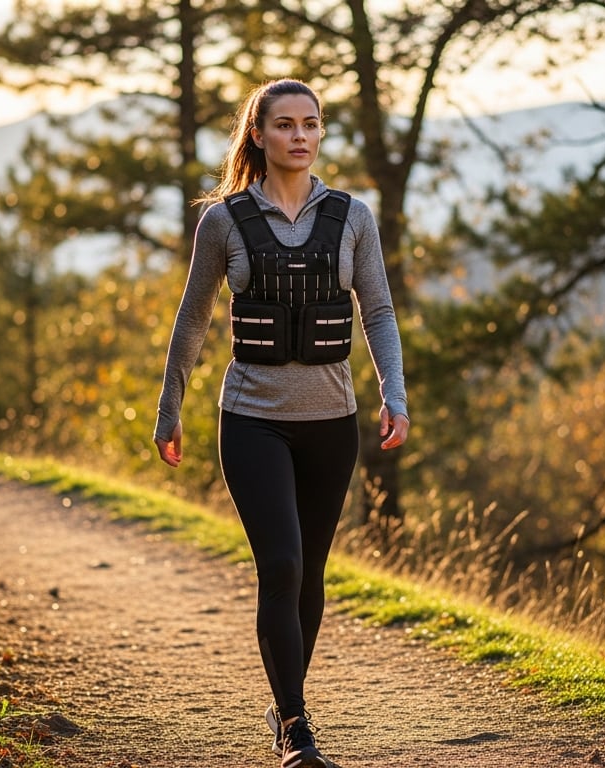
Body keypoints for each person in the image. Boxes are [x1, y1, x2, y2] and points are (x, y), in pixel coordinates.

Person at [153, 78, 410, 768]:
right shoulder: (224, 222)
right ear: (259, 134)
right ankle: (297, 728)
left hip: (332, 421)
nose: (300, 136)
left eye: (311, 124)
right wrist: (170, 407)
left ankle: (284, 700)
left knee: (312, 573)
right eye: (285, 124)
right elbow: (193, 318)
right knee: (282, 564)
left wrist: (395, 393)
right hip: (252, 420)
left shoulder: (353, 217)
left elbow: (378, 311)